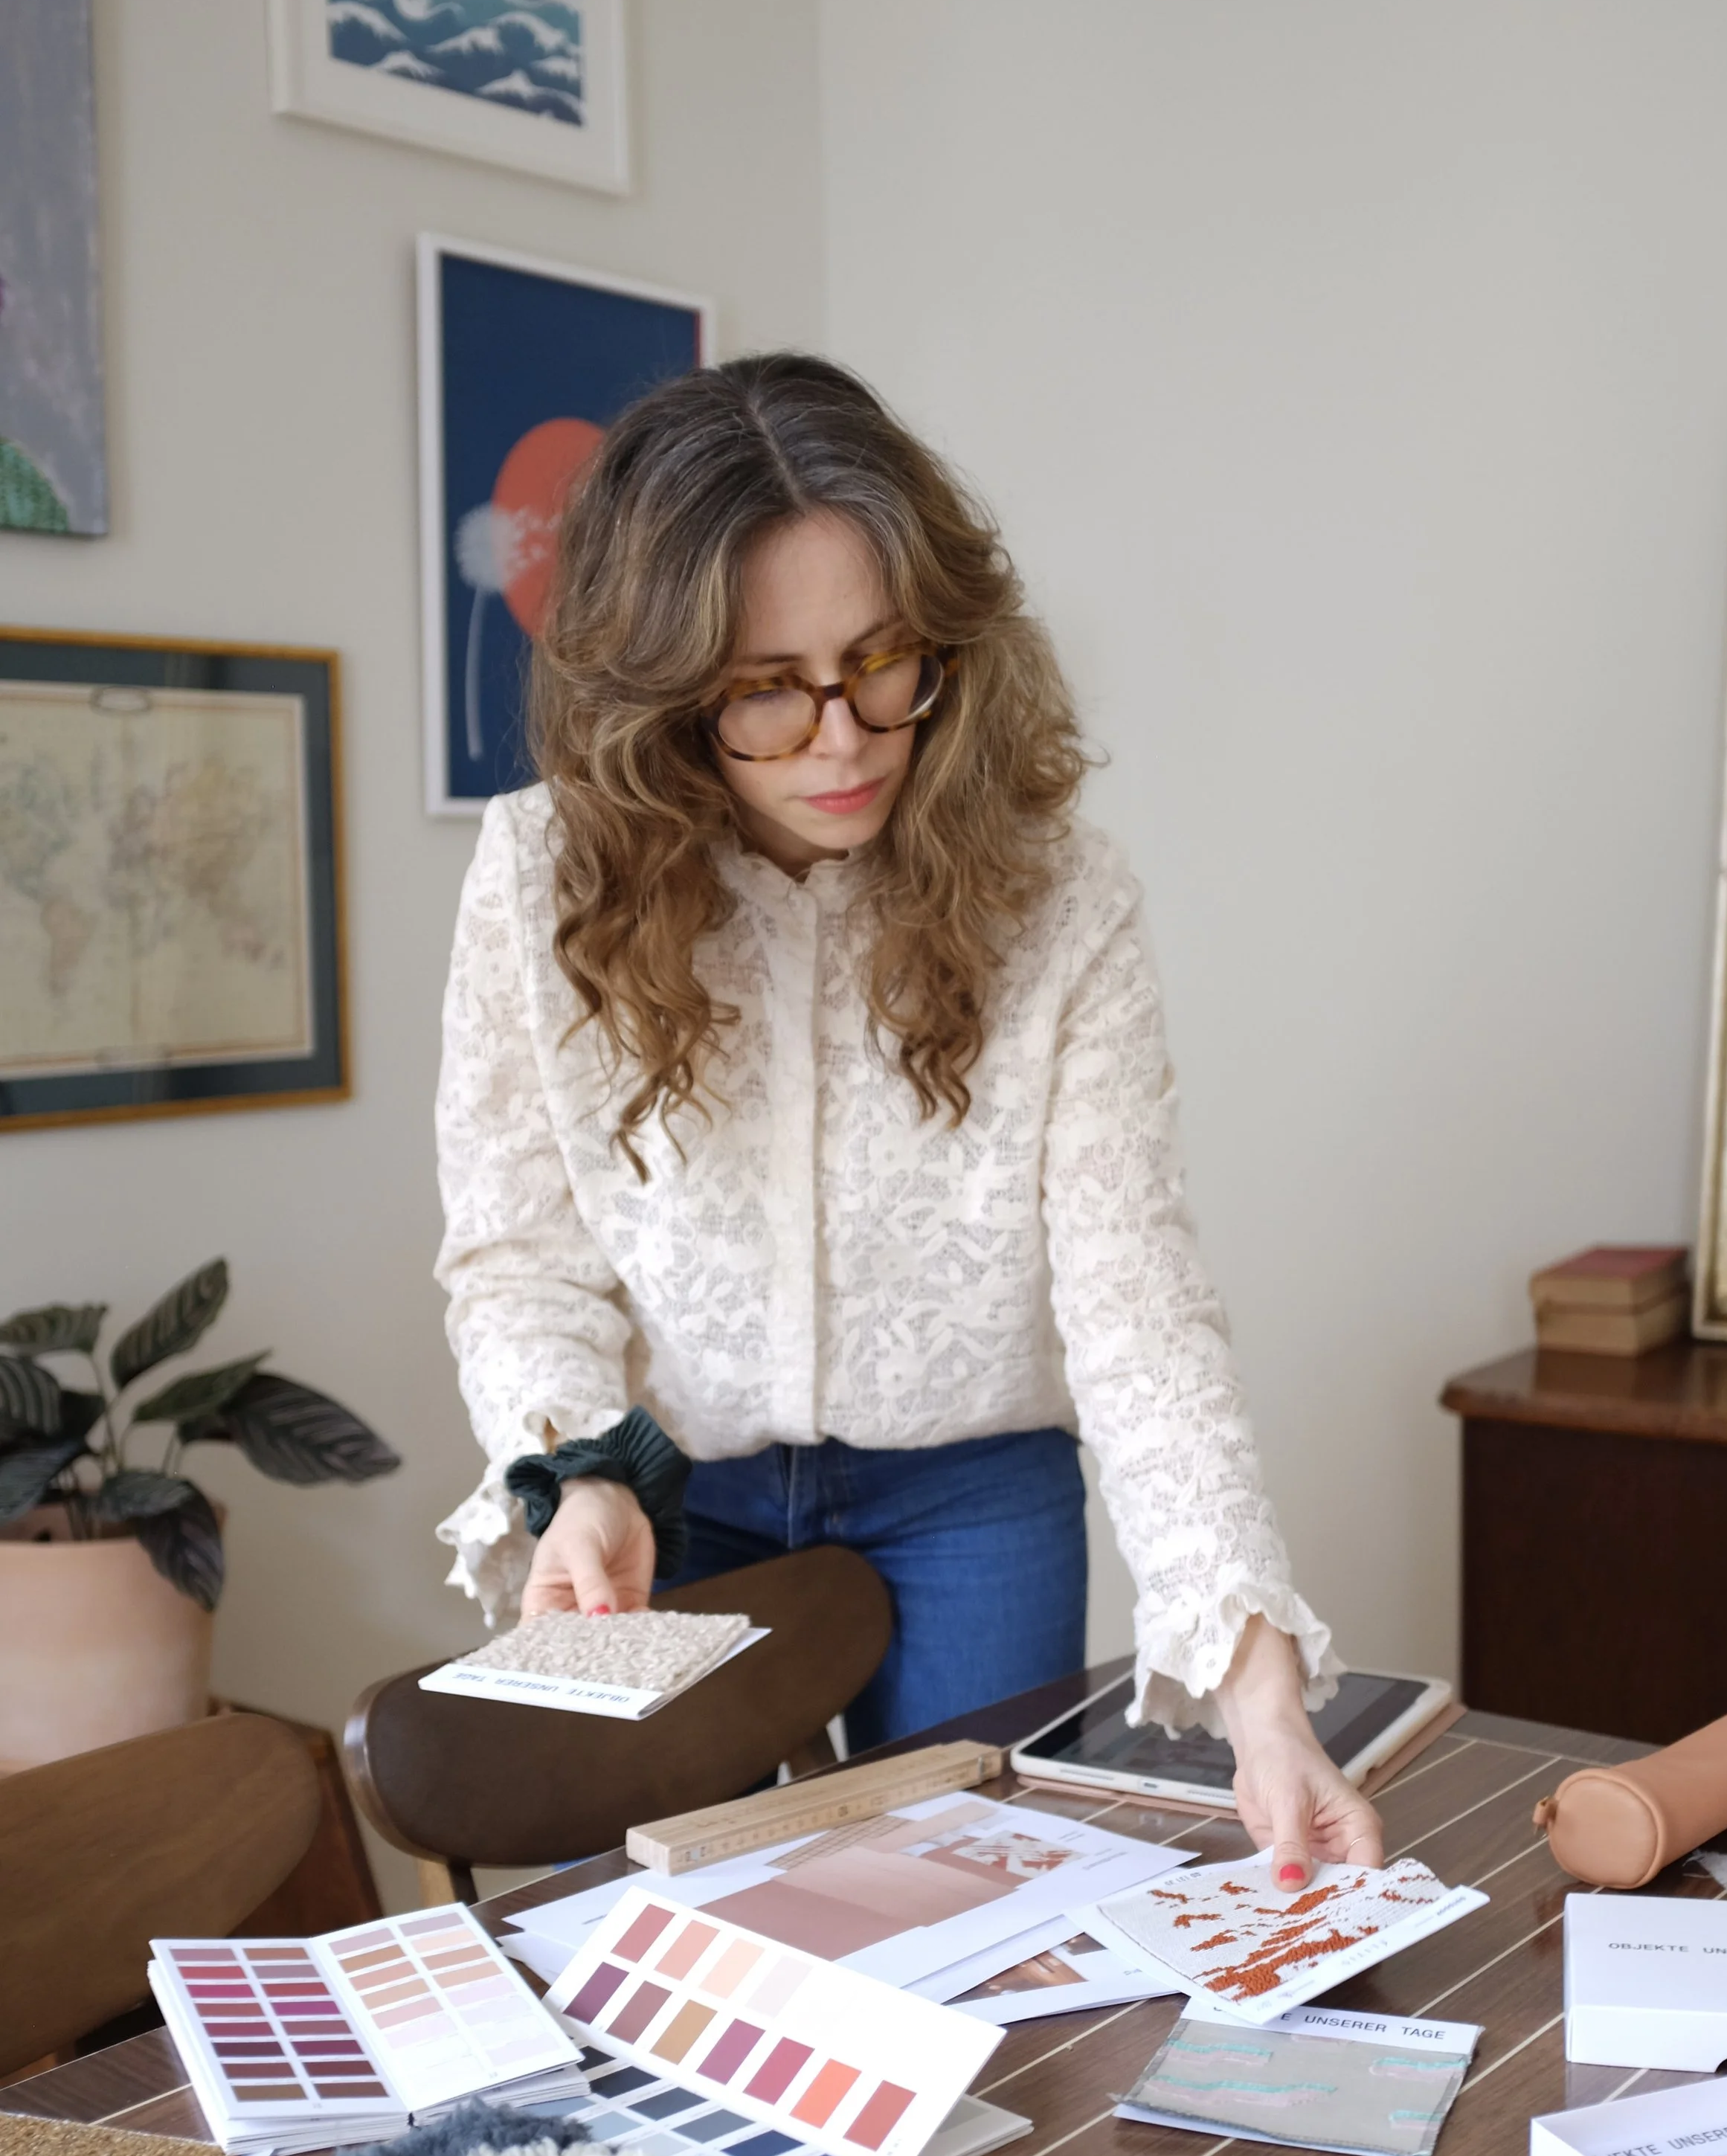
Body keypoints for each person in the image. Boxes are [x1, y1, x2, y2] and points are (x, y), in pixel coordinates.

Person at [434, 353, 1381, 1888]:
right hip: (671, 1495)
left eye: (883, 661)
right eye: (763, 688)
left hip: (973, 1497)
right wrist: (581, 1470)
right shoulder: (546, 879)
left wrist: (1258, 1696)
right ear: (663, 696)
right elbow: (519, 1257)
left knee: (979, 1915)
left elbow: (1134, 1307)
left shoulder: (1057, 892)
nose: (843, 736)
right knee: (713, 1941)